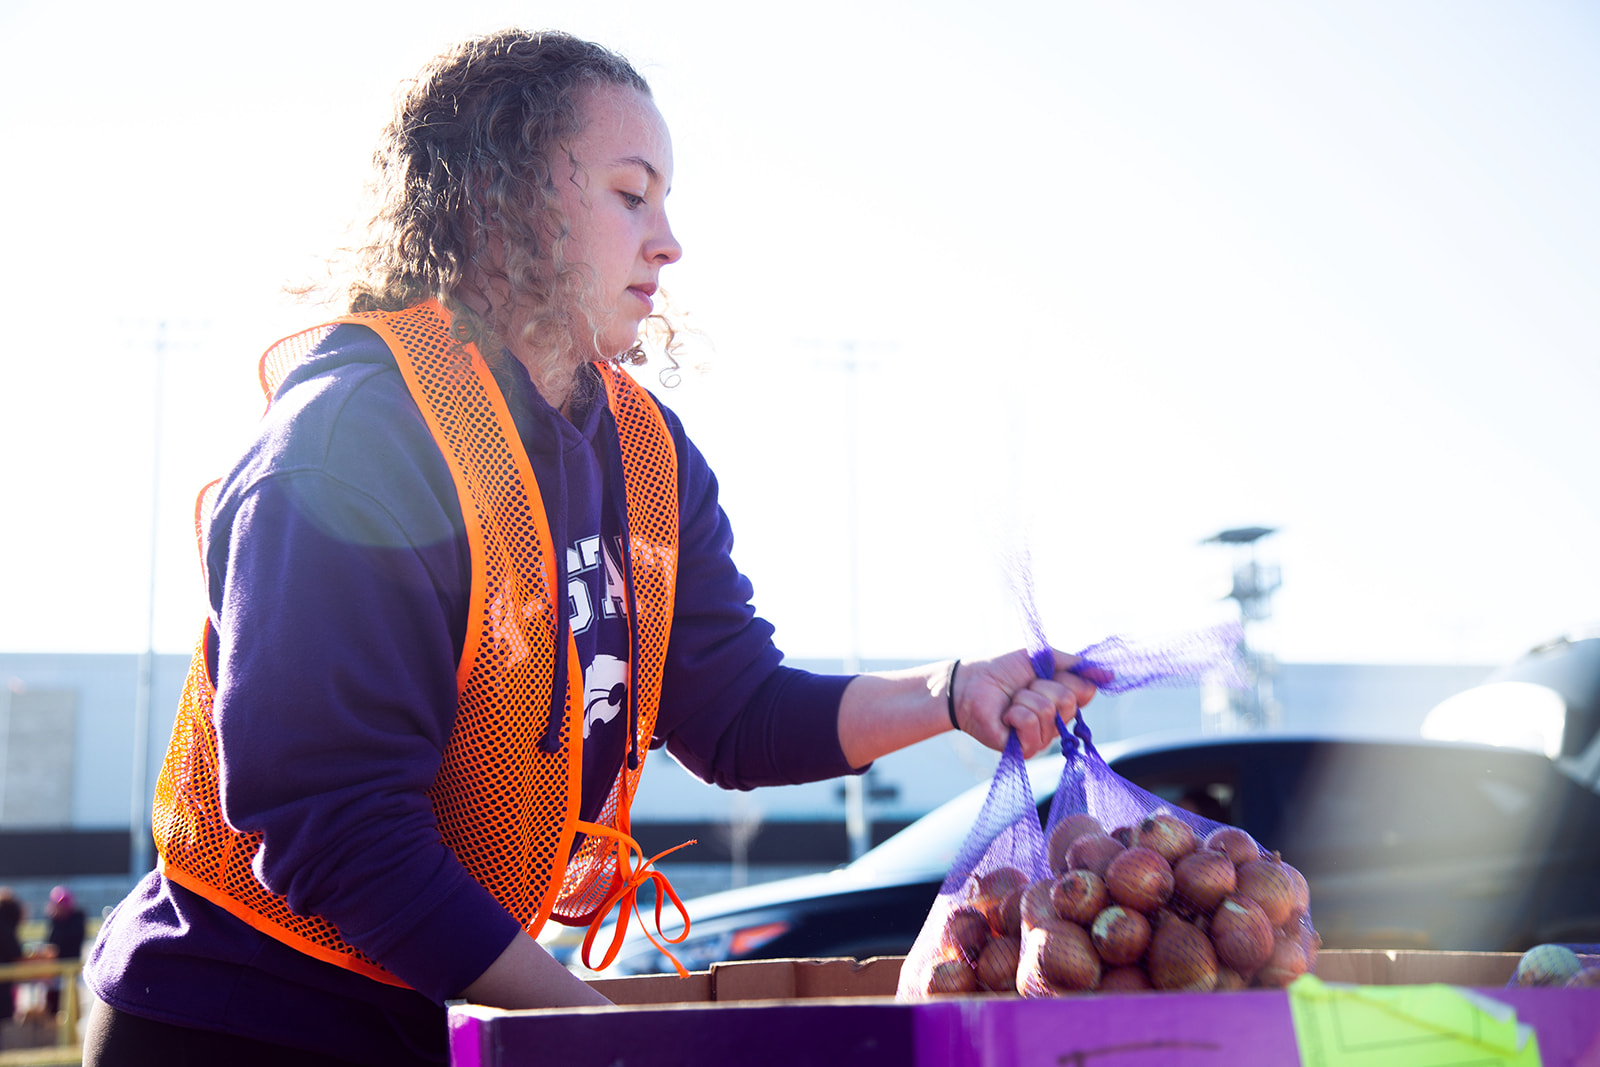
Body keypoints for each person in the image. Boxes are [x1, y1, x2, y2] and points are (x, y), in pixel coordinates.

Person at [82, 29, 1095, 1067]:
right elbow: (335, 826)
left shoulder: (645, 449)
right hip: (238, 1015)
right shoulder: (355, 442)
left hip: (439, 1015)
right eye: (630, 193)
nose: (668, 242)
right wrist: (595, 1026)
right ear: (499, 201)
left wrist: (951, 691)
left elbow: (731, 707)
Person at [40, 887, 86, 1016]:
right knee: (53, 1007)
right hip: (54, 971)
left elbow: (65, 941)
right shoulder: (54, 921)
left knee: (70, 1007)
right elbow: (50, 942)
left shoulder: (77, 920)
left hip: (69, 971)